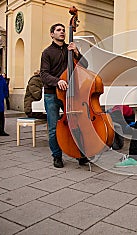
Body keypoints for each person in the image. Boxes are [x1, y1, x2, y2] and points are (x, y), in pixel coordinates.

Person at [40, 23, 89, 168]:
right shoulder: (47, 52)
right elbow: (44, 74)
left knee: (76, 124)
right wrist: (57, 81)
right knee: (54, 127)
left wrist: (77, 53)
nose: (62, 32)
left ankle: (79, 154)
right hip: (52, 94)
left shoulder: (70, 48)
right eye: (58, 30)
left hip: (70, 94)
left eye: (63, 30)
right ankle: (57, 156)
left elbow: (84, 65)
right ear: (52, 34)